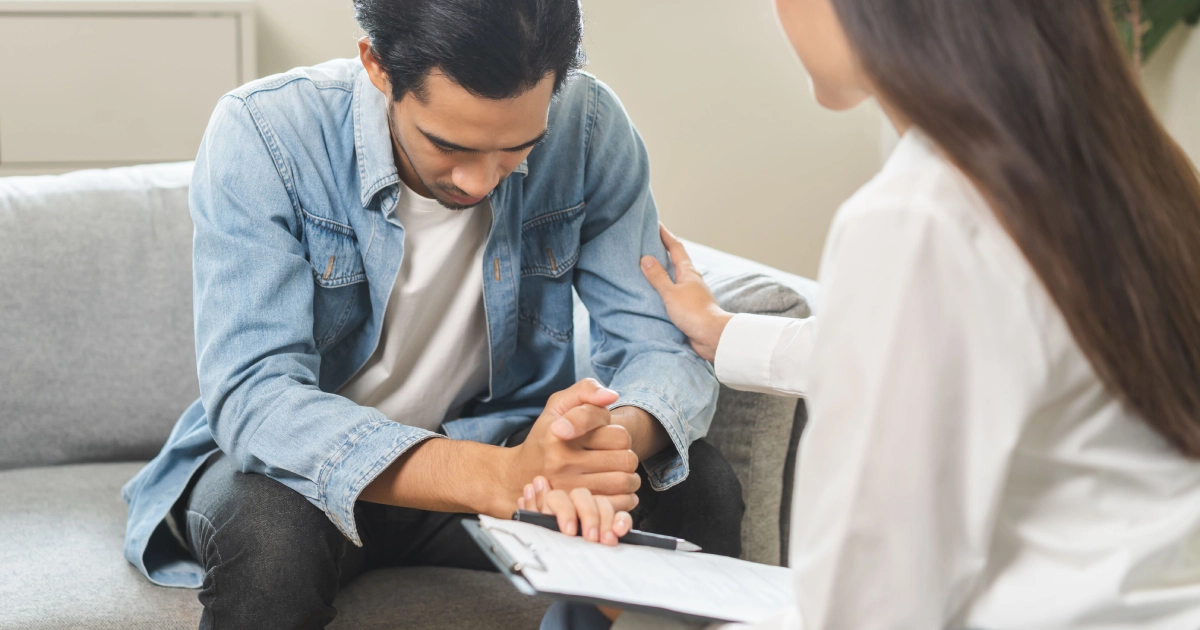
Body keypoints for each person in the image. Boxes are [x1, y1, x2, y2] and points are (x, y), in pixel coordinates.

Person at [532, 0, 1200, 628]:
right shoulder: (1125, 174)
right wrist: (725, 331)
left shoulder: (920, 214)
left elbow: (875, 591)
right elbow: (953, 351)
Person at [120, 1, 745, 627]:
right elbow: (255, 395)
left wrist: (600, 447)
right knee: (270, 531)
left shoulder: (587, 126)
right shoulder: (266, 131)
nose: (477, 182)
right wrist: (497, 475)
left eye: (516, 149)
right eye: (447, 144)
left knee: (695, 486)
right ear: (377, 66)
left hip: (499, 453)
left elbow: (659, 348)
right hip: (311, 474)